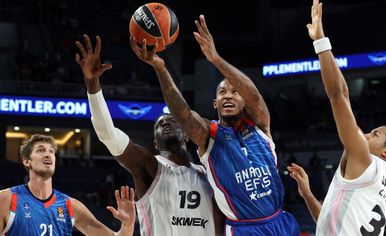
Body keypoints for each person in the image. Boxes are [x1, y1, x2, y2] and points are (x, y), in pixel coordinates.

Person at [129, 16, 299, 235]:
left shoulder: (260, 125)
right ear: (215, 103)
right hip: (246, 229)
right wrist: (160, 68)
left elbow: (254, 96)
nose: (228, 96)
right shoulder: (209, 135)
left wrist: (215, 59)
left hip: (281, 220)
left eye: (234, 92)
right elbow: (184, 115)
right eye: (222, 92)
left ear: (243, 100)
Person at [75, 34, 224, 235]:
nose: (165, 122)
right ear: (155, 142)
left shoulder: (208, 174)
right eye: (159, 124)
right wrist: (92, 84)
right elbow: (108, 135)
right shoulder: (150, 166)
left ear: (187, 135)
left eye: (172, 120)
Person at [287, 1, 386, 235]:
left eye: (376, 134)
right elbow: (328, 223)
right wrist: (308, 195)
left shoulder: (366, 161)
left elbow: (338, 94)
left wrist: (320, 42)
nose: (365, 134)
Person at [0, 134, 135, 236]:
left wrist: (128, 225)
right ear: (27, 162)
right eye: (41, 150)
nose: (48, 154)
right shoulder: (7, 199)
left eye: (51, 151)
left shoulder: (70, 205)